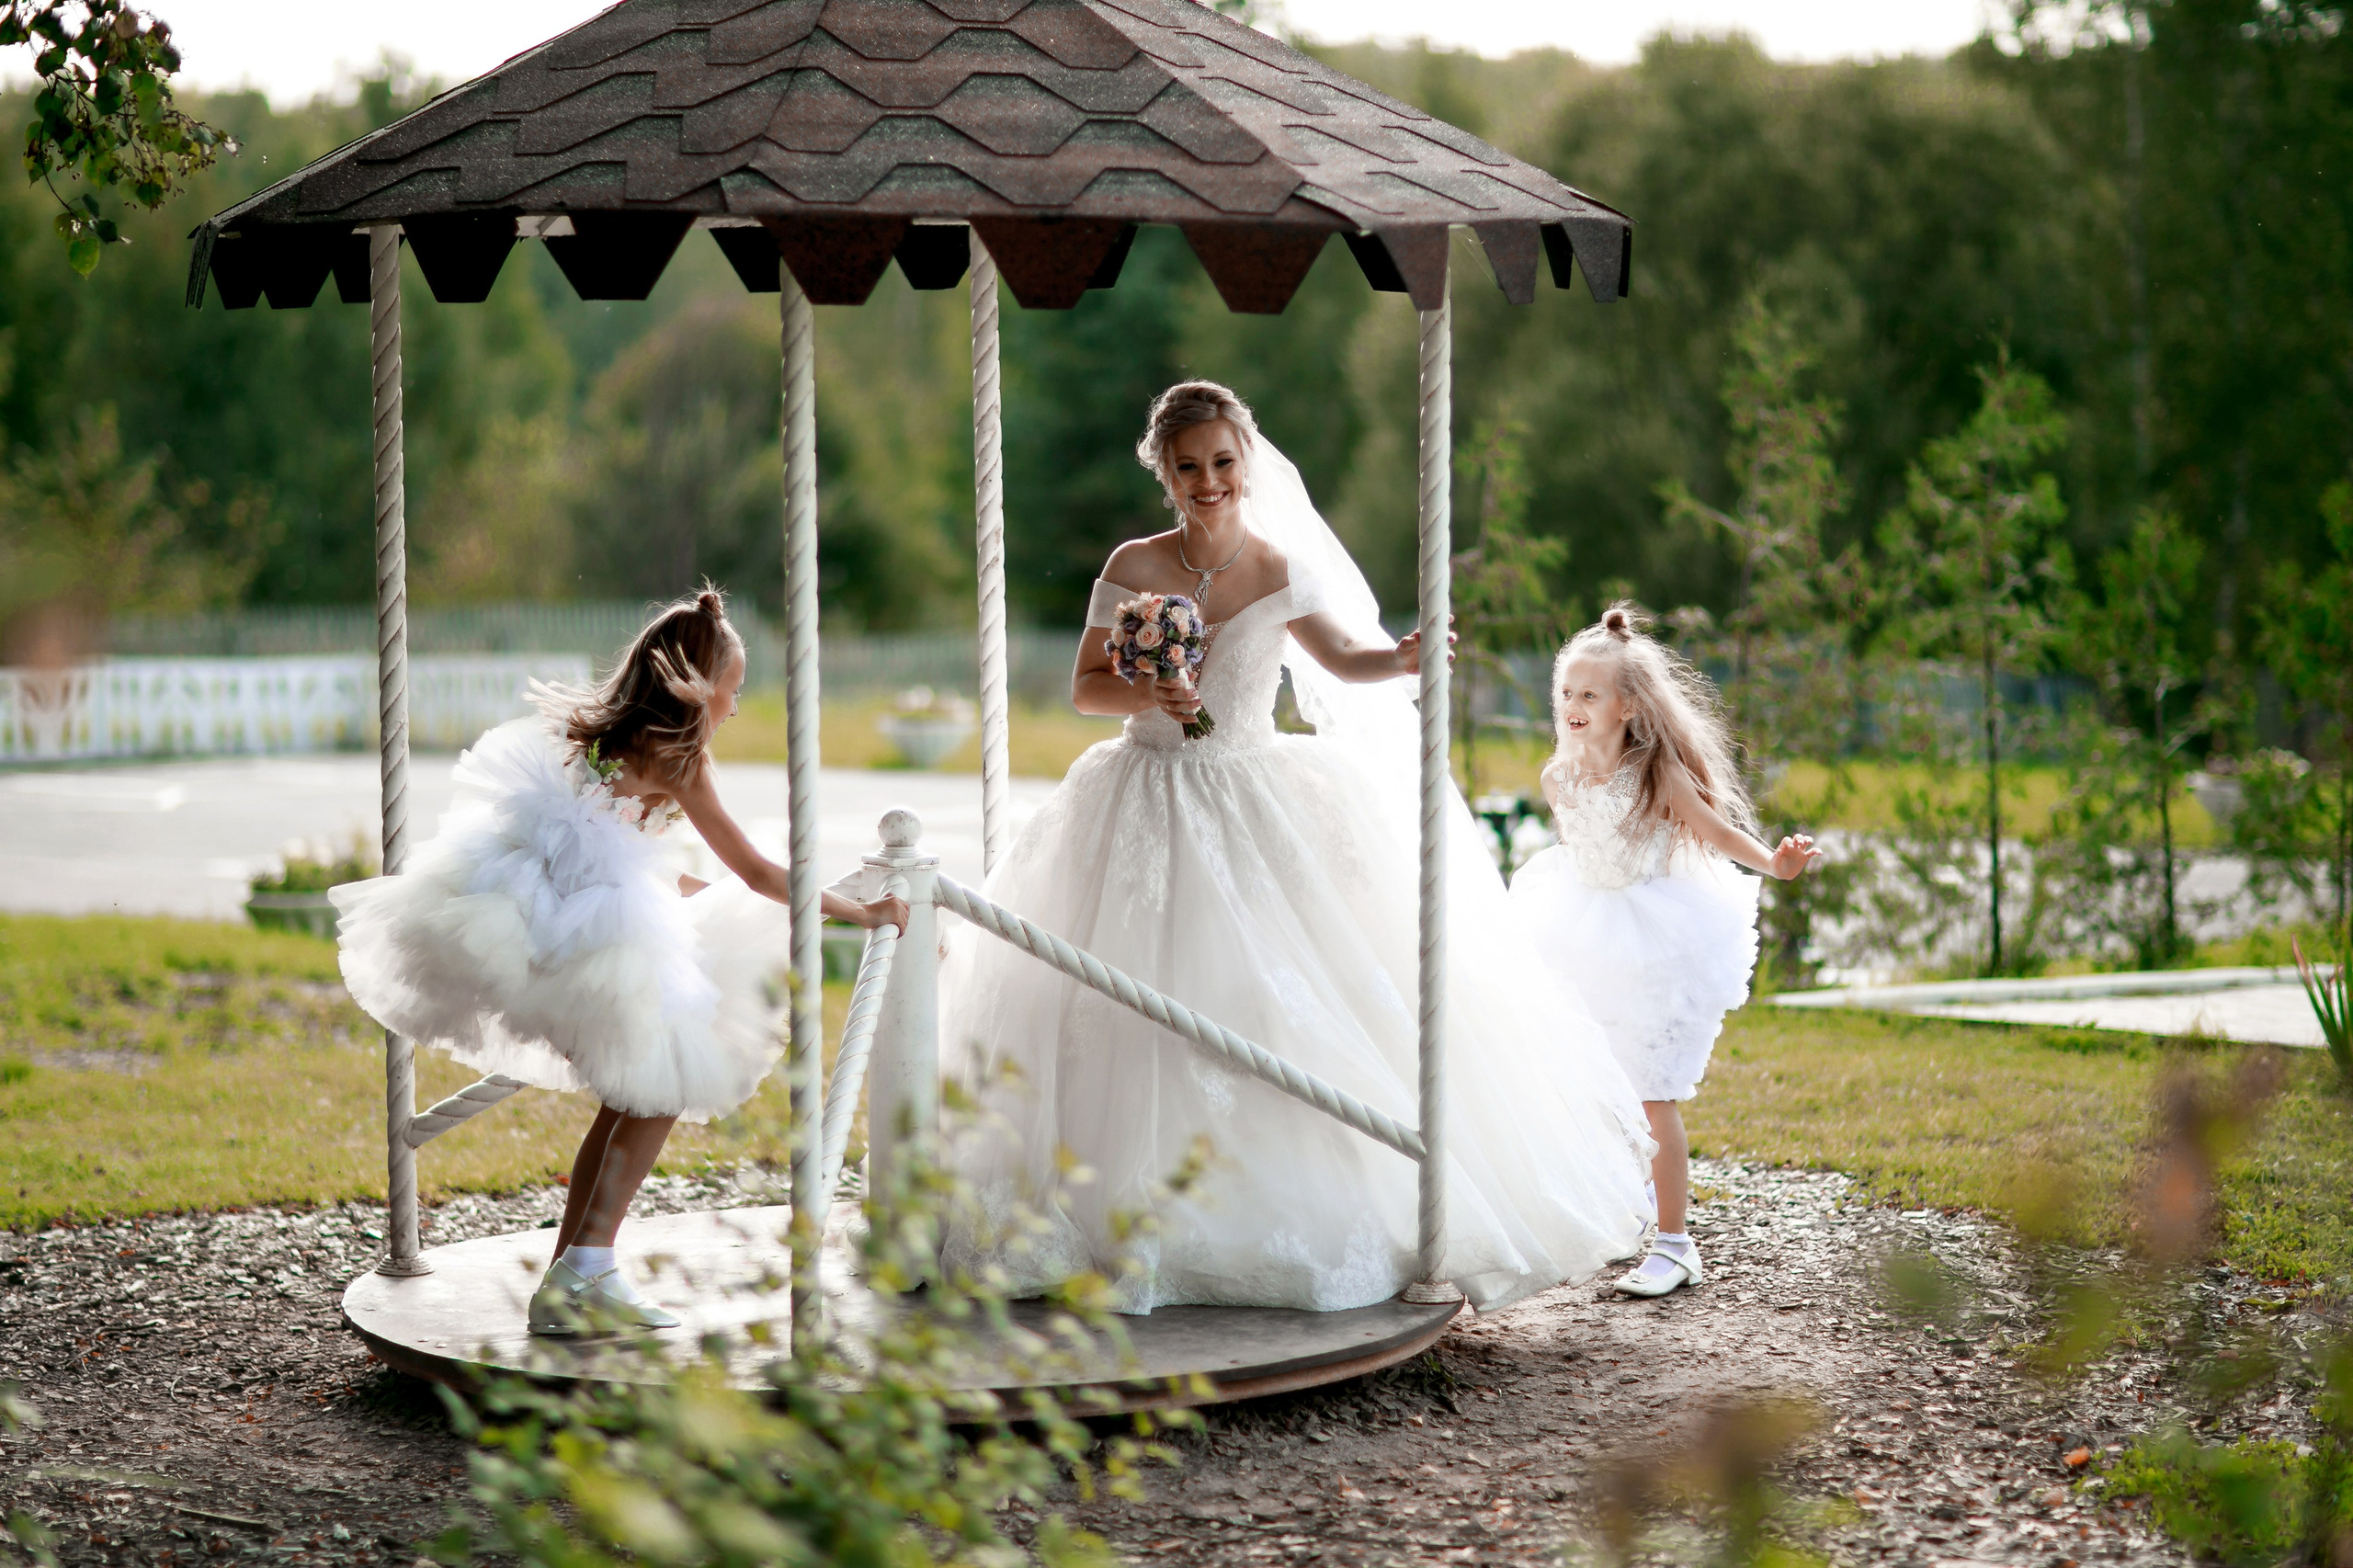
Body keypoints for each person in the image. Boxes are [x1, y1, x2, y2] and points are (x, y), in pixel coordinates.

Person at [938, 381, 1656, 1315]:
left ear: (1246, 462)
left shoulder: (1277, 566)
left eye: (1222, 463)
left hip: (1248, 789)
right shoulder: (1133, 563)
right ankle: (1121, 1212)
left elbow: (1338, 660)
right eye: (1188, 466)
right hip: (1136, 798)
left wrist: (1396, 660)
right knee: (1113, 1003)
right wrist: (1150, 694)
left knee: (1265, 999)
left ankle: (1275, 1209)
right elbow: (1084, 686)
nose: (1208, 482)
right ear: (1163, 470)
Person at [331, 589, 906, 1333]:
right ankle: (588, 1268)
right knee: (661, 1087)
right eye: (730, 691)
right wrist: (862, 912)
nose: (733, 707)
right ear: (693, 689)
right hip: (601, 939)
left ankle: (571, 1279)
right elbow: (761, 872)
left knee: (631, 1098)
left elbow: (627, 861)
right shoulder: (680, 760)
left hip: (555, 921)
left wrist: (714, 900)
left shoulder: (596, 739)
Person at [1507, 605, 1822, 1298]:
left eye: (1590, 694)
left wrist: (1775, 863)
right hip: (1579, 935)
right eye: (1566, 693)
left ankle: (1676, 1245)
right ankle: (1630, 1205)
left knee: (1653, 1094)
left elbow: (1713, 832)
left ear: (1628, 705)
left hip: (1652, 942)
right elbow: (1579, 850)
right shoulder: (1556, 778)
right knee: (1592, 1085)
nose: (1573, 706)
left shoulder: (1655, 773)